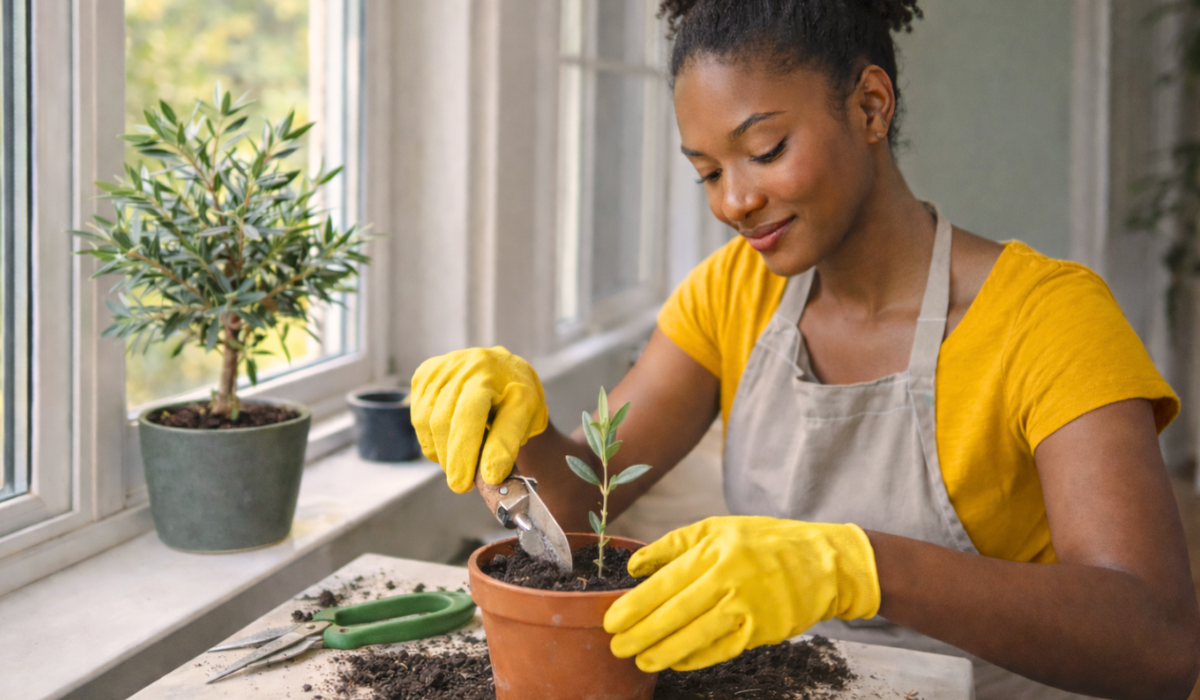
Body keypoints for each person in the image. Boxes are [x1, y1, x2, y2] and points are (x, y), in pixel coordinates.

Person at [409, 1, 1200, 697]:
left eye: (766, 149)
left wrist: (857, 567)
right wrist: (512, 426)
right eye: (707, 173)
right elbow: (582, 496)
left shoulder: (1046, 317)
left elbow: (1157, 644)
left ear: (870, 105)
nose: (735, 201)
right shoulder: (732, 293)